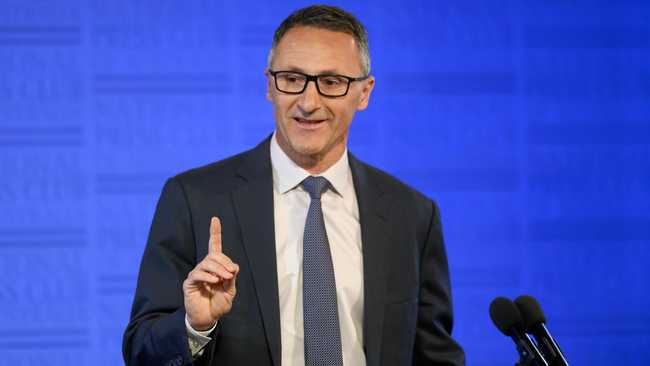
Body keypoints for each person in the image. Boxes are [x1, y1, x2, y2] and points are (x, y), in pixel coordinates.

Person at [123, 4, 464, 366]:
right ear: (270, 85)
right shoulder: (194, 199)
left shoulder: (410, 214)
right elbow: (142, 350)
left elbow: (433, 355)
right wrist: (194, 326)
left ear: (364, 93)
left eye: (331, 82)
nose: (308, 101)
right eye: (292, 78)